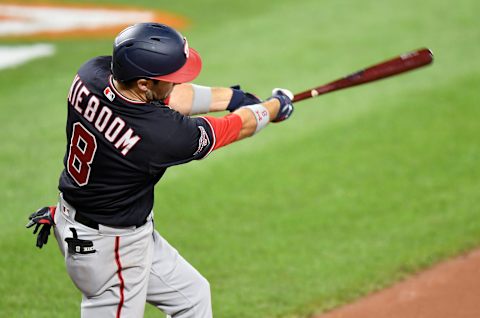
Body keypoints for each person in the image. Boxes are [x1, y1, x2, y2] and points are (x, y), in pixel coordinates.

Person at [26, 22, 294, 318]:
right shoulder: (161, 136)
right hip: (110, 248)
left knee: (191, 297)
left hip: (94, 223)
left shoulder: (91, 75)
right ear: (144, 83)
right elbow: (237, 126)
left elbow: (170, 97)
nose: (176, 82)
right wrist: (274, 107)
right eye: (170, 77)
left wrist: (235, 98)